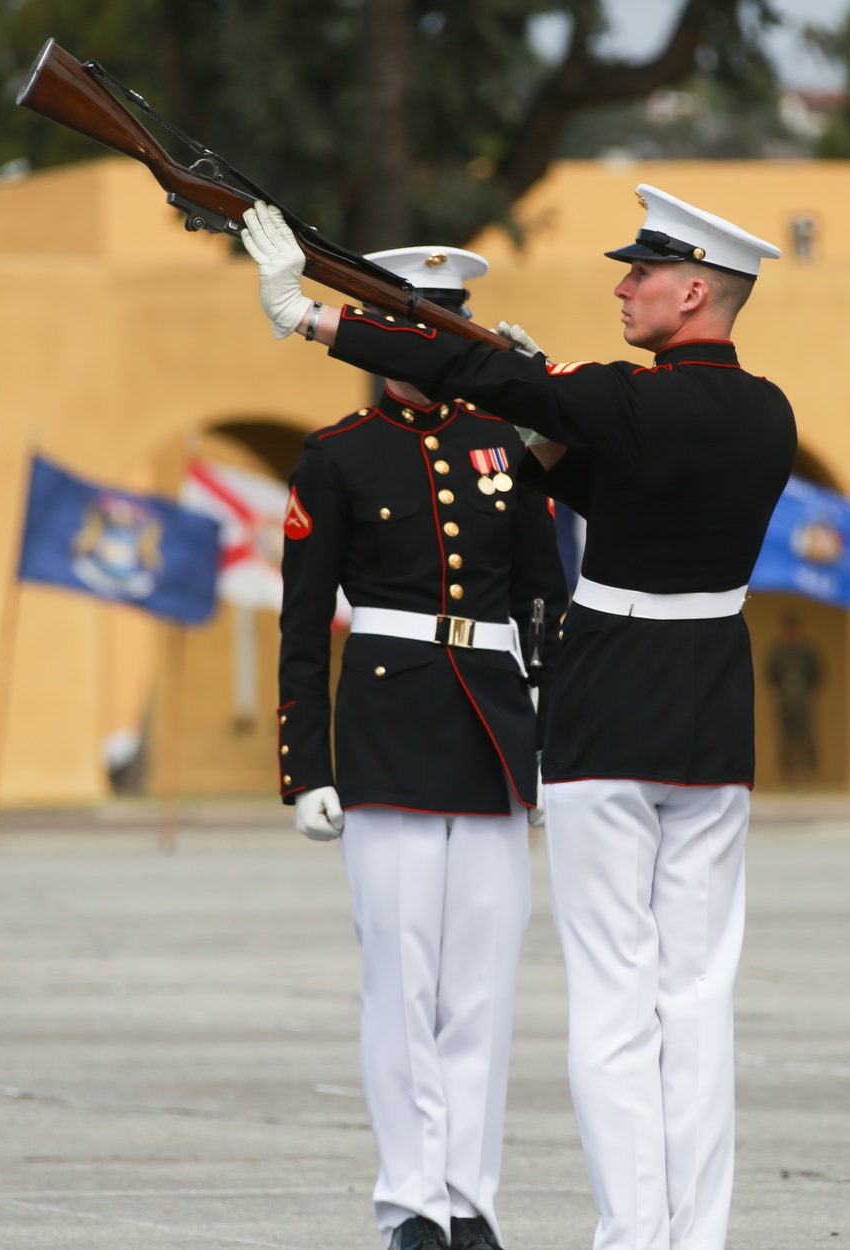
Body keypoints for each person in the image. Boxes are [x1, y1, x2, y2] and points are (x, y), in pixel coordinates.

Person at [241, 185, 797, 1250]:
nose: (623, 285)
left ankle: (632, 1233)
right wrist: (548, 418)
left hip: (605, 722)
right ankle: (695, 1235)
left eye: (641, 273)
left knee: (612, 1003)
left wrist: (313, 315)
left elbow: (487, 375)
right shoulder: (766, 411)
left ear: (693, 290)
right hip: (717, 722)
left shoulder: (622, 399)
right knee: (699, 998)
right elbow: (612, 477)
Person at [265, 236, 568, 1250]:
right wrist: (305, 766)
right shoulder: (338, 453)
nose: (421, 344)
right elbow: (303, 628)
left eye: (442, 327)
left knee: (479, 982)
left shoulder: (501, 443)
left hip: (491, 727)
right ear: (380, 334)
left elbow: (542, 597)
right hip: (389, 728)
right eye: (409, 325)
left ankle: (469, 1200)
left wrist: (552, 735)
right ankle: (411, 1203)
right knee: (401, 981)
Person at [767, 611, 822, 778]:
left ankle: (810, 774)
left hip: (803, 700)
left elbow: (817, 674)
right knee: (785, 737)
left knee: (806, 736)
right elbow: (771, 675)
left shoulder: (806, 652)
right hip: (784, 700)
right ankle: (788, 774)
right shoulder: (778, 652)